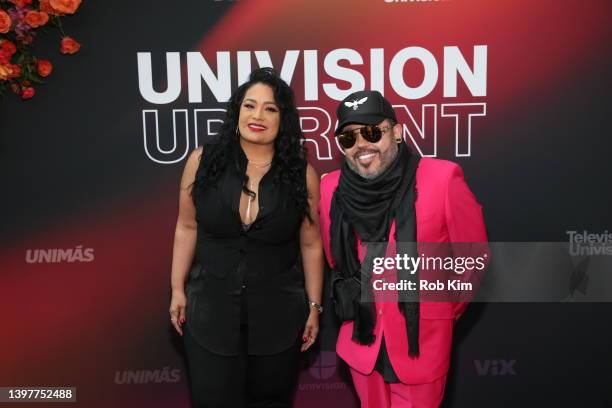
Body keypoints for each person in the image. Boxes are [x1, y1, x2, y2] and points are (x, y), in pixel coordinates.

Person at [318, 90, 488, 407]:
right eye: (349, 138)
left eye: (371, 132)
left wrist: (435, 311)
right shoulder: (330, 189)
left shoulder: (442, 178)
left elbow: (473, 259)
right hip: (361, 342)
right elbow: (335, 259)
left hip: (421, 342)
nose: (361, 146)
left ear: (396, 132)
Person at [168, 67, 324, 408]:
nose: (258, 115)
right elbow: (187, 226)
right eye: (250, 105)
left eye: (270, 108)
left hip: (279, 319)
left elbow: (311, 244)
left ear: (283, 119)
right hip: (209, 312)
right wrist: (177, 288)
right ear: (236, 110)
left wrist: (314, 306)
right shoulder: (202, 161)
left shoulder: (303, 175)